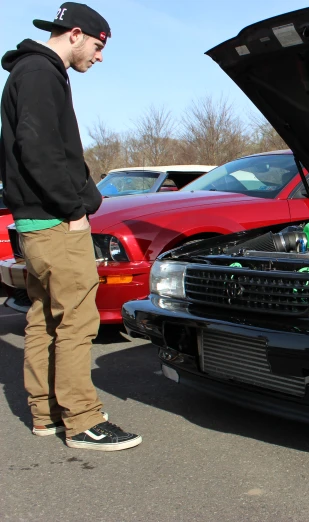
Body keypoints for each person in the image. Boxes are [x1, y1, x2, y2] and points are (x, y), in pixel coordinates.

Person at [0, 2, 142, 451]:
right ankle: (82, 421)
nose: (99, 57)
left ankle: (46, 414)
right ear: (76, 33)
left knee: (44, 318)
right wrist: (74, 210)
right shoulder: (41, 73)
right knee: (79, 322)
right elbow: (38, 148)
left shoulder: (30, 72)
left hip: (34, 223)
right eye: (98, 47)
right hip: (55, 223)